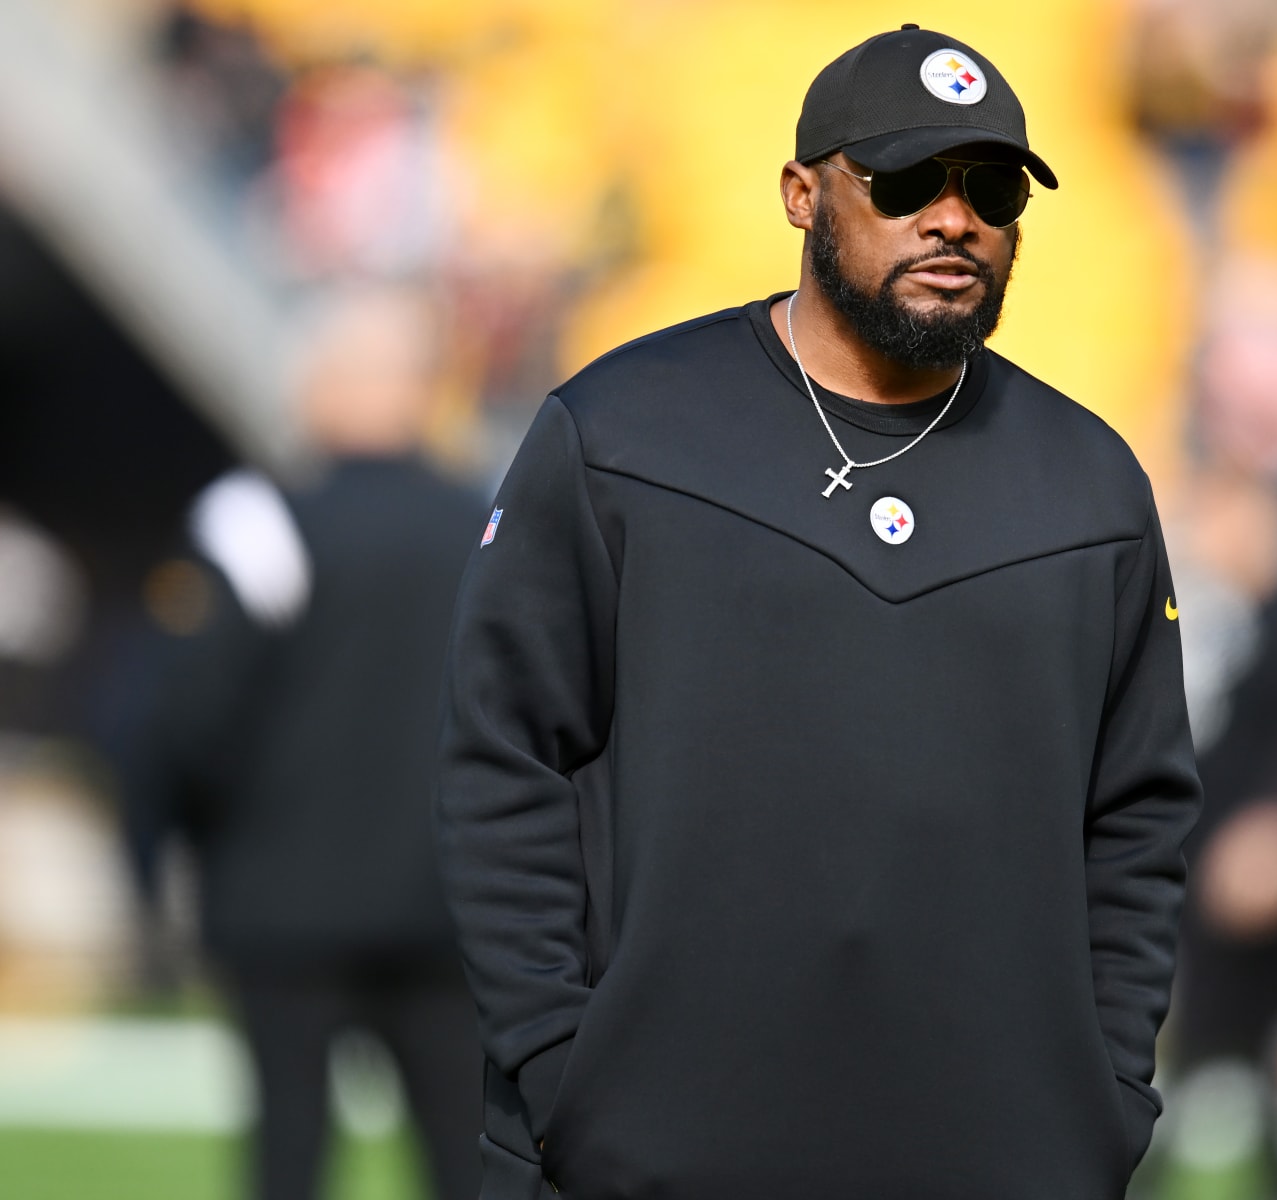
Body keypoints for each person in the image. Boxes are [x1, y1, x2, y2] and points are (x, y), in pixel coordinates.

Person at [435, 24, 1203, 1200]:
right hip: (645, 1159)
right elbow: (503, 761)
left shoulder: (1091, 484)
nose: (954, 220)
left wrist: (1098, 1102)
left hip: (989, 1163)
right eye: (907, 182)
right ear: (802, 194)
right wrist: (563, 1070)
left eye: (991, 189)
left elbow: (1138, 818)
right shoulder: (624, 432)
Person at [120, 286, 485, 1200]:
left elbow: (184, 716)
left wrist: (159, 854)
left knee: (289, 1150)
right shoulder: (491, 520)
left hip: (281, 905)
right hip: (448, 898)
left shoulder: (258, 521)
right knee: (469, 1152)